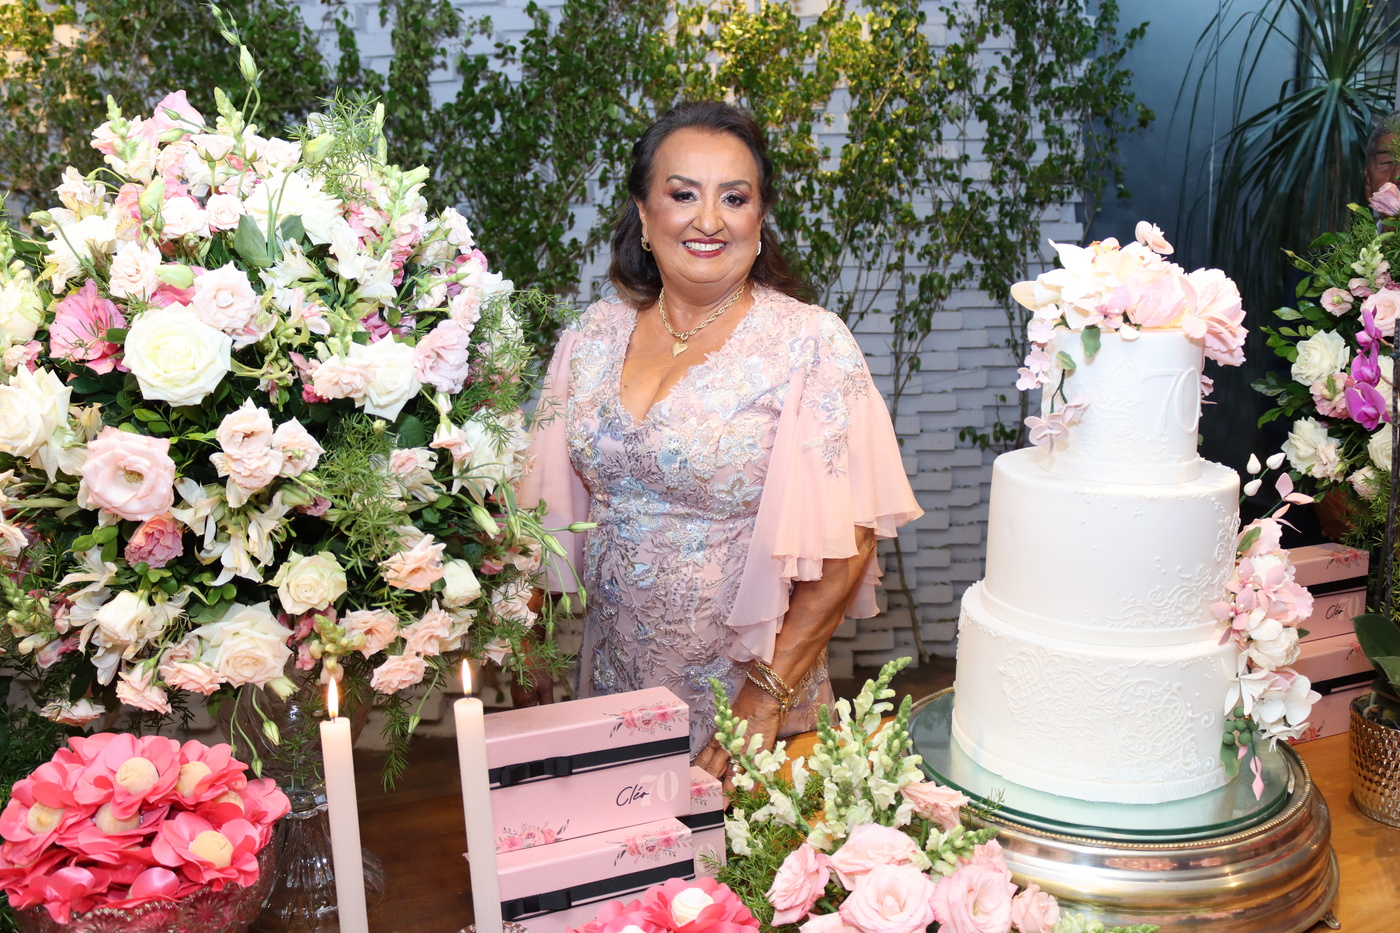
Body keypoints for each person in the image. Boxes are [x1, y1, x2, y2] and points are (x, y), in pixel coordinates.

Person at [517, 101, 922, 781]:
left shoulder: (810, 345)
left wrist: (760, 705)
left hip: (751, 702)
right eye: (683, 195)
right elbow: (538, 512)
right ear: (643, 212)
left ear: (759, 219)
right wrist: (524, 647)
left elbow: (848, 544)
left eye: (734, 198)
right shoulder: (590, 336)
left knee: (741, 850)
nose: (708, 220)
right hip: (613, 686)